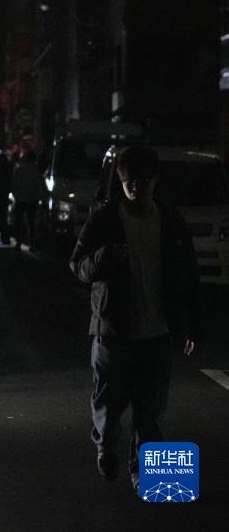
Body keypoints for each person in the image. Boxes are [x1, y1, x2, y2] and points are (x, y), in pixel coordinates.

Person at [69, 146, 201, 493]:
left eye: (142, 181)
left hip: (157, 330)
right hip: (113, 328)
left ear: (155, 180)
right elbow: (78, 265)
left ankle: (145, 475)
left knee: (150, 410)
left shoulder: (170, 221)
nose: (135, 188)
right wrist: (103, 258)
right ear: (121, 181)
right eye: (129, 182)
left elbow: (189, 274)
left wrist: (192, 324)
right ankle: (105, 445)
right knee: (109, 401)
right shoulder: (105, 218)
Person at [9, 150, 45, 250]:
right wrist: (40, 197)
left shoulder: (19, 169)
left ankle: (18, 242)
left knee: (18, 221)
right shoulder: (36, 171)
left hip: (20, 199)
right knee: (31, 223)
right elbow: (41, 186)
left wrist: (15, 194)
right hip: (32, 199)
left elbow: (13, 183)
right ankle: (31, 244)